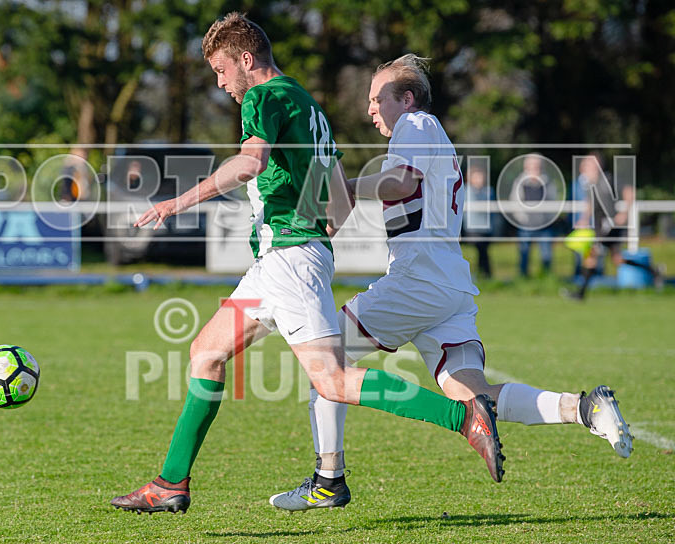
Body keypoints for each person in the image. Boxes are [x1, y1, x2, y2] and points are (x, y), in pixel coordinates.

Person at [109, 14, 503, 516]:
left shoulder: (263, 97)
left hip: (289, 262)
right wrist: (317, 227)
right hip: (281, 260)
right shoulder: (308, 106)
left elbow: (251, 163)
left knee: (332, 380)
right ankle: (170, 484)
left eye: (221, 69)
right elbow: (337, 205)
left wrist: (175, 203)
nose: (220, 83)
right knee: (205, 352)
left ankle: (464, 417)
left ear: (246, 60)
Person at [268, 54, 633, 512]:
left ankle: (328, 480)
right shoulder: (421, 132)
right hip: (447, 286)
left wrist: (344, 185)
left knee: (325, 364)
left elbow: (400, 183)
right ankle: (585, 408)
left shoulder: (416, 125)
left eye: (377, 98)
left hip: (418, 279)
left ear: (406, 98)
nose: (370, 109)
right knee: (477, 400)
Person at [566, 152, 664, 300]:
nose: (583, 167)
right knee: (617, 259)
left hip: (610, 226)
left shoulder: (608, 180)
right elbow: (590, 203)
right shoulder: (591, 184)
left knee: (591, 255)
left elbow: (630, 192)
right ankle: (654, 271)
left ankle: (580, 294)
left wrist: (624, 213)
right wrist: (584, 219)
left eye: (587, 164)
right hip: (600, 227)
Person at [509, 155, 557, 277]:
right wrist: (522, 219)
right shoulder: (519, 182)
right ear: (526, 167)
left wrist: (547, 219)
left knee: (547, 255)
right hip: (526, 225)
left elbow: (553, 203)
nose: (535, 168)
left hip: (545, 225)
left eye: (537, 166)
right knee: (524, 254)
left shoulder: (548, 182)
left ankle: (546, 278)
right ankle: (523, 279)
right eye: (532, 166)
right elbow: (514, 202)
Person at [463, 164, 494, 279]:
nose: (479, 180)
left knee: (484, 253)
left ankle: (485, 276)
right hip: (472, 229)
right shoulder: (466, 191)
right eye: (476, 177)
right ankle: (474, 275)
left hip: (486, 228)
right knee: (478, 251)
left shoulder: (488, 191)